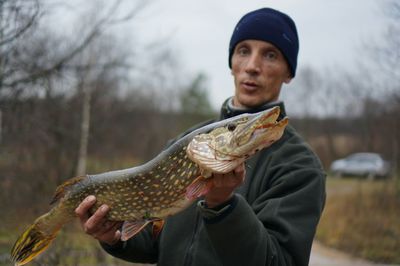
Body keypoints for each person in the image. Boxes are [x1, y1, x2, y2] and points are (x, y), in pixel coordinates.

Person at [75, 7, 326, 266]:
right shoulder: (186, 143)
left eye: (270, 55)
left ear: (289, 72)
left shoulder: (299, 167)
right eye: (243, 51)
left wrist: (223, 206)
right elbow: (155, 241)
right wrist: (115, 237)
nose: (252, 66)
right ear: (231, 63)